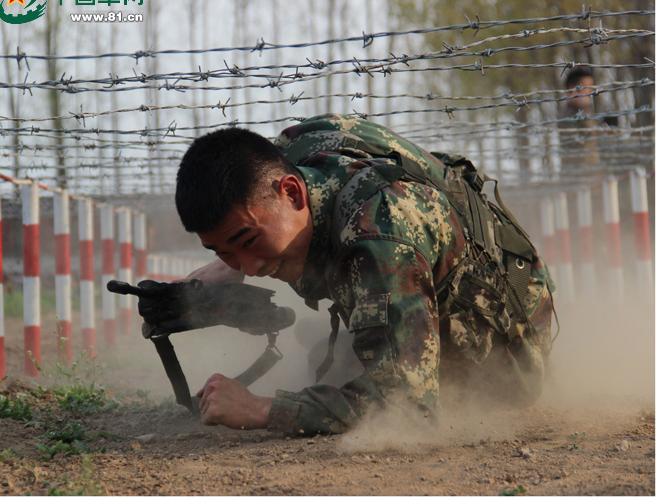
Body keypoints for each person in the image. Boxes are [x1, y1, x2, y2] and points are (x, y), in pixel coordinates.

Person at [172, 113, 555, 435]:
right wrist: (226, 266)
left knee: (350, 374)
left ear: (292, 192)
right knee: (334, 359)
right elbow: (249, 216)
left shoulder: (378, 235)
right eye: (224, 250)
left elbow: (407, 406)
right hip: (441, 272)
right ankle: (357, 334)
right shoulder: (290, 151)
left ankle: (361, 335)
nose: (250, 268)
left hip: (507, 353)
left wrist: (261, 409)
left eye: (248, 241)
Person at [558, 66, 601, 173]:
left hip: (593, 172)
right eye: (585, 87)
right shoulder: (565, 115)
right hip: (573, 173)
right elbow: (585, 137)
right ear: (571, 88)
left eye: (590, 88)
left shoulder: (592, 112)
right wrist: (584, 110)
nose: (589, 92)